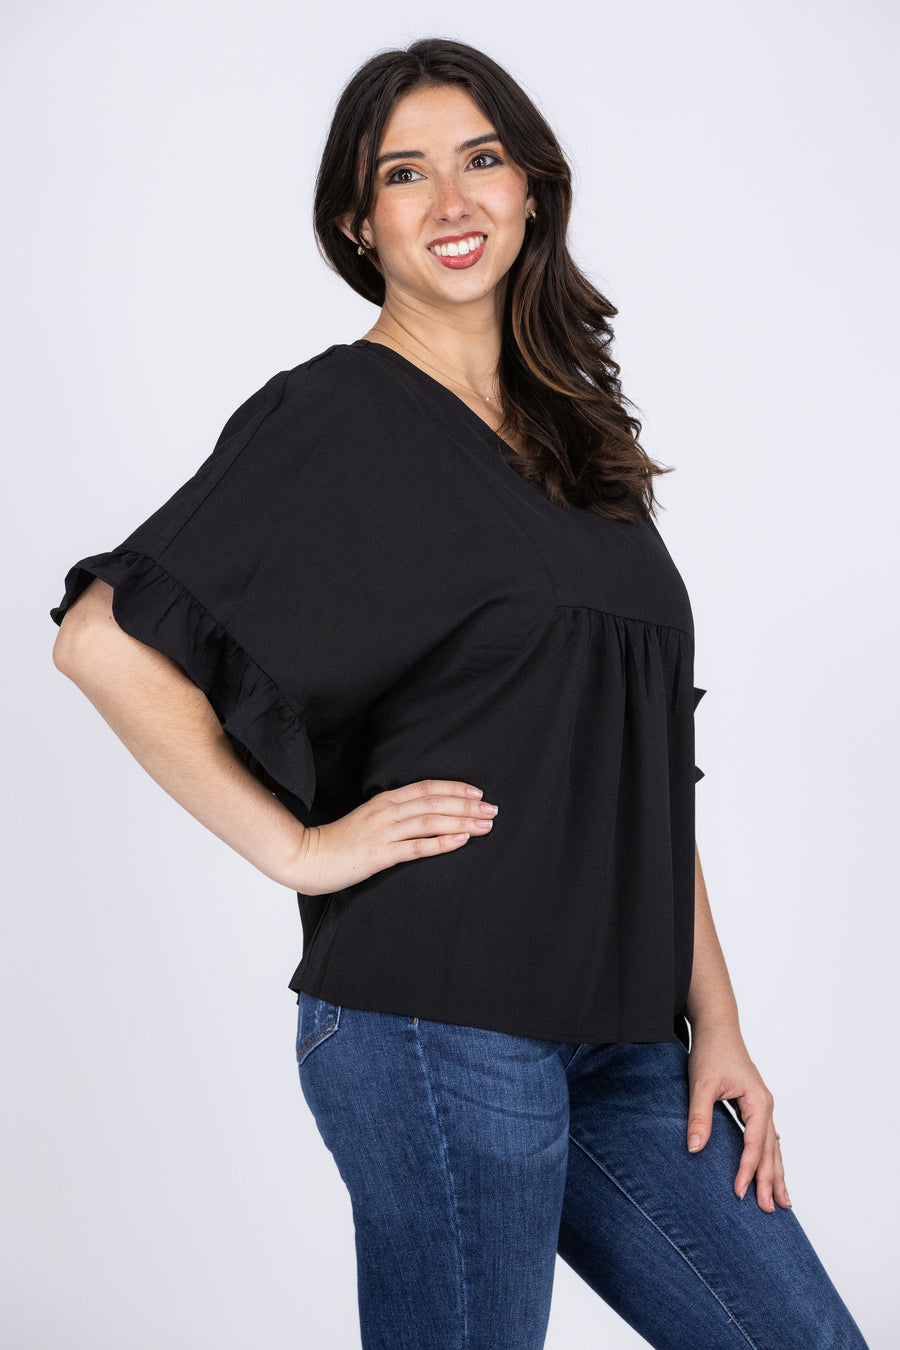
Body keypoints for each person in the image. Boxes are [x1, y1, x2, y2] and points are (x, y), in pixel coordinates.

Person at [50, 36, 870, 1350]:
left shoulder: (584, 446)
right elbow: (101, 639)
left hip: (629, 1041)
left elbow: (641, 763)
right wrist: (304, 850)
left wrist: (716, 1020)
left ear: (530, 189)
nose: (451, 200)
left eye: (481, 160)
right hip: (440, 1021)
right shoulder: (332, 415)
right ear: (356, 222)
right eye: (404, 173)